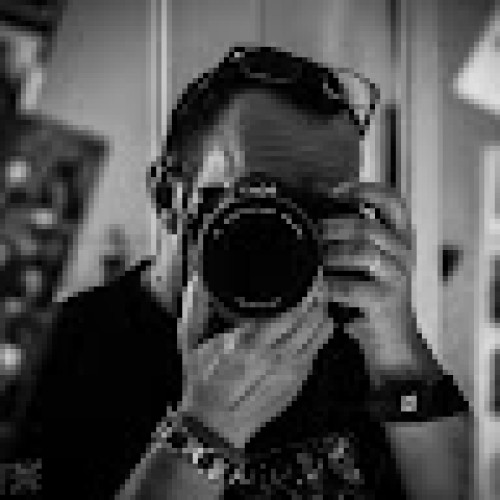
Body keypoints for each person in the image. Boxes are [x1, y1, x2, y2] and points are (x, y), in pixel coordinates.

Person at [13, 46, 470, 499]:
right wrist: (207, 429)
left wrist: (400, 355)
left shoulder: (353, 334)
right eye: (262, 198)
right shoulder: (39, 364)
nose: (289, 229)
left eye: (321, 206)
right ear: (170, 197)